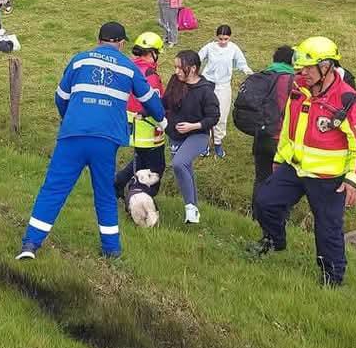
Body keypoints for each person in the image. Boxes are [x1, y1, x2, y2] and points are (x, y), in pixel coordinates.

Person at [18, 22, 165, 260]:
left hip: (73, 135)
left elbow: (60, 97)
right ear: (121, 43)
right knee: (105, 193)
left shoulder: (80, 60)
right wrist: (163, 121)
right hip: (106, 140)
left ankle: (30, 245)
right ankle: (112, 250)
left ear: (99, 40)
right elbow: (151, 100)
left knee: (53, 189)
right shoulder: (128, 67)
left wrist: (71, 118)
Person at [251, 37, 356, 287]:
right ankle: (275, 240)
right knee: (264, 202)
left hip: (328, 179)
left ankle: (332, 279)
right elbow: (288, 127)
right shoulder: (298, 89)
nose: (302, 72)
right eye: (300, 67)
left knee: (327, 230)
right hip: (294, 168)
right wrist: (280, 158)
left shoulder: (346, 100)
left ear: (327, 66)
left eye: (308, 68)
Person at [162, 50, 219, 224]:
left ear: (193, 68)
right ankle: (193, 209)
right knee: (184, 170)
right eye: (175, 67)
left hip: (197, 134)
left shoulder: (206, 91)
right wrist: (144, 111)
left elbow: (213, 117)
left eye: (181, 67)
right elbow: (164, 103)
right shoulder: (175, 82)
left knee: (179, 163)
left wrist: (192, 126)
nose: (177, 71)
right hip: (175, 134)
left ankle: (190, 208)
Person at [114, 32, 167, 200]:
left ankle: (119, 181)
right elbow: (155, 102)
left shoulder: (129, 67)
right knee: (155, 168)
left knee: (141, 160)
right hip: (148, 127)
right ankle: (140, 196)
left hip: (130, 125)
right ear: (152, 52)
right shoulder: (150, 74)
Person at [250, 46, 295, 218]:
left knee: (261, 178)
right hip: (279, 137)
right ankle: (279, 218)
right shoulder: (289, 80)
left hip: (260, 135)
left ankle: (256, 215)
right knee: (281, 181)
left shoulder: (262, 76)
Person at [198, 24, 254, 158]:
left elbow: (241, 63)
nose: (223, 42)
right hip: (208, 83)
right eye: (220, 39)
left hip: (223, 85)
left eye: (225, 39)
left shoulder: (234, 48)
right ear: (216, 37)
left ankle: (217, 142)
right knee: (205, 113)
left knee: (222, 115)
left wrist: (248, 71)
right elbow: (197, 58)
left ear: (230, 37)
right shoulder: (210, 47)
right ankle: (205, 143)